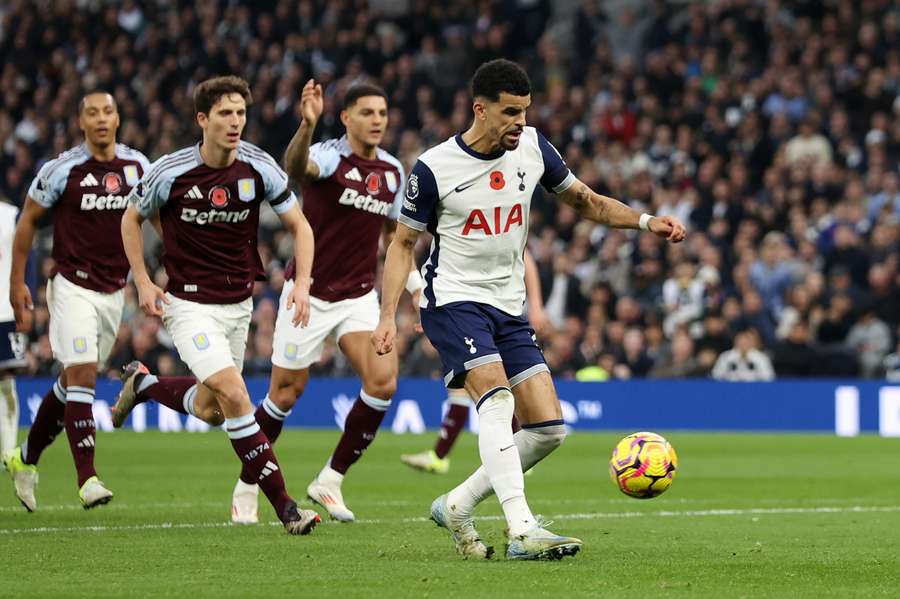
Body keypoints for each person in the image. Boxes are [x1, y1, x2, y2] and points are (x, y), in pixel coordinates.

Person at [372, 59, 685, 560]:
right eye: (510, 112)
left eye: (525, 112)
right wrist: (387, 316)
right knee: (496, 402)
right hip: (453, 299)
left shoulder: (535, 147)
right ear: (480, 109)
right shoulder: (434, 168)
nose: (520, 122)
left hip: (508, 303)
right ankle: (521, 529)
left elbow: (586, 202)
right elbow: (402, 243)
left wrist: (647, 222)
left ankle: (456, 504)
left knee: (548, 430)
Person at [115, 76, 318, 535]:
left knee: (211, 410)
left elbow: (301, 227)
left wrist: (302, 284)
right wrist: (144, 282)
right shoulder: (170, 171)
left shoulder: (258, 167)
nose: (235, 122)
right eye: (225, 114)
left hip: (238, 305)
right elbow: (131, 218)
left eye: (241, 114)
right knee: (236, 395)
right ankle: (287, 507)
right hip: (188, 305)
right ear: (202, 119)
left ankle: (143, 387)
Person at [226, 80, 418, 524]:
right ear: (346, 117)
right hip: (307, 292)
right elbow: (298, 168)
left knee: (383, 381)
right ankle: (247, 482)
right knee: (286, 393)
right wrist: (306, 126)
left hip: (357, 297)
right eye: (367, 113)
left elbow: (397, 240)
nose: (377, 121)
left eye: (383, 114)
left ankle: (330, 479)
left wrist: (415, 289)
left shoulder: (391, 172)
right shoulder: (331, 155)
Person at [3, 91, 150, 511]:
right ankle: (87, 478)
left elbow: (157, 213)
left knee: (72, 383)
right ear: (81, 122)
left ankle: (24, 458)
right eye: (92, 113)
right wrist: (18, 284)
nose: (101, 118)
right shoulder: (61, 169)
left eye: (108, 111)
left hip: (112, 292)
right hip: (70, 285)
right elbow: (26, 222)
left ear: (118, 118)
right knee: (82, 372)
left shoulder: (138, 166)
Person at [400, 250, 549, 474]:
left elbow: (525, 257)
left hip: (501, 311)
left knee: (493, 386)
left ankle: (446, 456)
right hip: (468, 310)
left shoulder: (500, 222)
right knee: (478, 385)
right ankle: (444, 455)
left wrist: (536, 305)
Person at [0, 201, 27, 459]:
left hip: (5, 312)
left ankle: (8, 452)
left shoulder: (11, 215)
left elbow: (27, 257)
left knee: (7, 383)